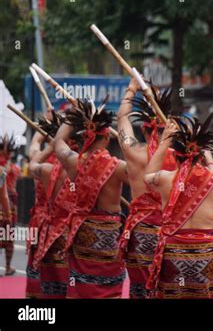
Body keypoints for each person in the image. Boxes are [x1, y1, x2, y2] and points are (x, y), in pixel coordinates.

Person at [144, 113, 213, 299]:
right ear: (201, 154)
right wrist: (212, 165)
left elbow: (147, 177)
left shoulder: (165, 178)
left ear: (175, 155)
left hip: (174, 254)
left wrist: (164, 142)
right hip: (207, 253)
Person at [53, 97, 128, 298]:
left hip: (82, 232)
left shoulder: (71, 161)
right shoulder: (118, 168)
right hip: (108, 236)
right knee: (108, 287)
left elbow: (58, 141)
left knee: (80, 283)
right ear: (107, 138)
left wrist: (72, 116)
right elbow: (141, 170)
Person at [116, 78, 177, 299]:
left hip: (140, 234)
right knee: (166, 290)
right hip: (170, 234)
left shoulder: (133, 151)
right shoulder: (181, 158)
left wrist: (131, 89)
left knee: (140, 289)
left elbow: (121, 117)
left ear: (143, 128)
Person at [28, 111, 76, 299]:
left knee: (42, 269)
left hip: (42, 225)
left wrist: (47, 127)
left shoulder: (41, 161)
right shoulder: (77, 164)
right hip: (67, 227)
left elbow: (34, 143)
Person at [0, 135, 19, 277]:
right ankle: (7, 267)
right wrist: (8, 213)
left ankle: (7, 266)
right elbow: (5, 194)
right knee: (7, 235)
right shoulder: (6, 168)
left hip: (9, 202)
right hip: (7, 205)